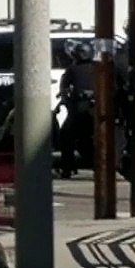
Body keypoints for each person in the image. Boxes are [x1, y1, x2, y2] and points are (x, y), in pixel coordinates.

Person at [57, 40, 96, 178]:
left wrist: (65, 99)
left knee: (65, 136)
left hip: (80, 111)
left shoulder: (72, 69)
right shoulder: (98, 68)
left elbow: (64, 88)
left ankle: (67, 167)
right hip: (94, 111)